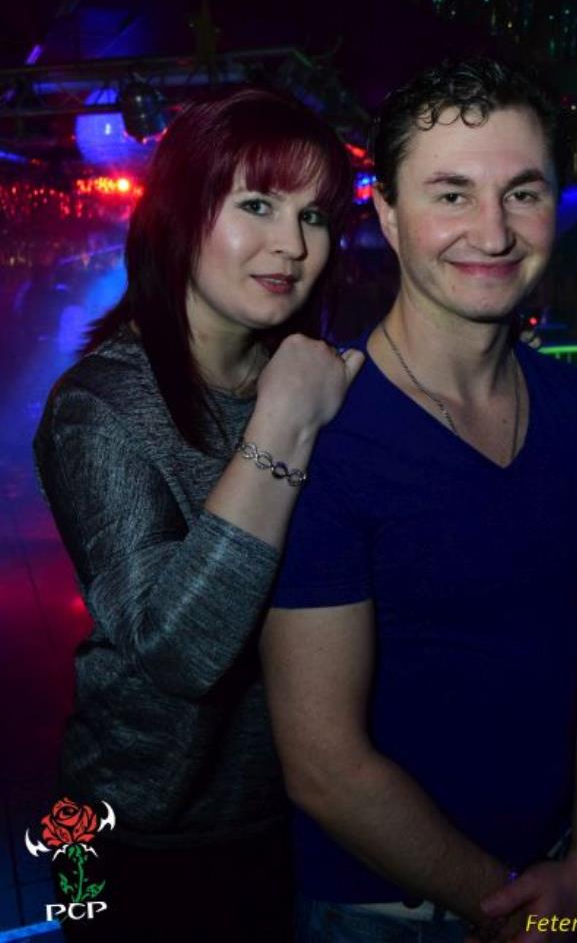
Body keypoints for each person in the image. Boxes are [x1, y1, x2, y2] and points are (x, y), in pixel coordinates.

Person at [260, 59, 577, 943]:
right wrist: (508, 908)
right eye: (451, 194)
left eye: (523, 193)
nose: (493, 231)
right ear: (388, 215)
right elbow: (321, 762)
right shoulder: (326, 433)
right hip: (385, 916)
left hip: (566, 871)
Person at [33, 85, 364, 941]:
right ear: (180, 213)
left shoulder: (311, 378)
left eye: (315, 216)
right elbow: (180, 652)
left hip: (288, 813)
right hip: (126, 832)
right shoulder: (98, 407)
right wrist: (282, 426)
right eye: (257, 205)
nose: (292, 244)